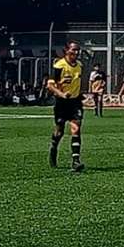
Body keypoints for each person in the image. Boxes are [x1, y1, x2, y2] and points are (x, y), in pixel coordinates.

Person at [46, 41, 87, 173]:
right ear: (66, 50)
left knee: (76, 128)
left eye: (78, 50)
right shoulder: (59, 65)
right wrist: (62, 94)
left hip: (75, 103)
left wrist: (80, 94)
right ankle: (53, 148)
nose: (76, 52)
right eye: (73, 50)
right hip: (62, 103)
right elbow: (50, 85)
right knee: (59, 132)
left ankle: (76, 161)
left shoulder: (79, 65)